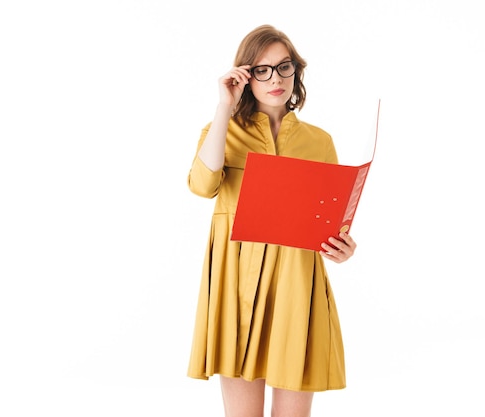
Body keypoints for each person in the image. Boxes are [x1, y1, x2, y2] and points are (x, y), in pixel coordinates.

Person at [187, 24, 357, 417]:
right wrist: (223, 109)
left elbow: (332, 220)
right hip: (236, 280)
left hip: (296, 281)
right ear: (245, 76)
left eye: (284, 67)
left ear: (296, 71)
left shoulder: (319, 141)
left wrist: (343, 245)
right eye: (261, 70)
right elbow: (202, 185)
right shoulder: (222, 131)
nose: (276, 78)